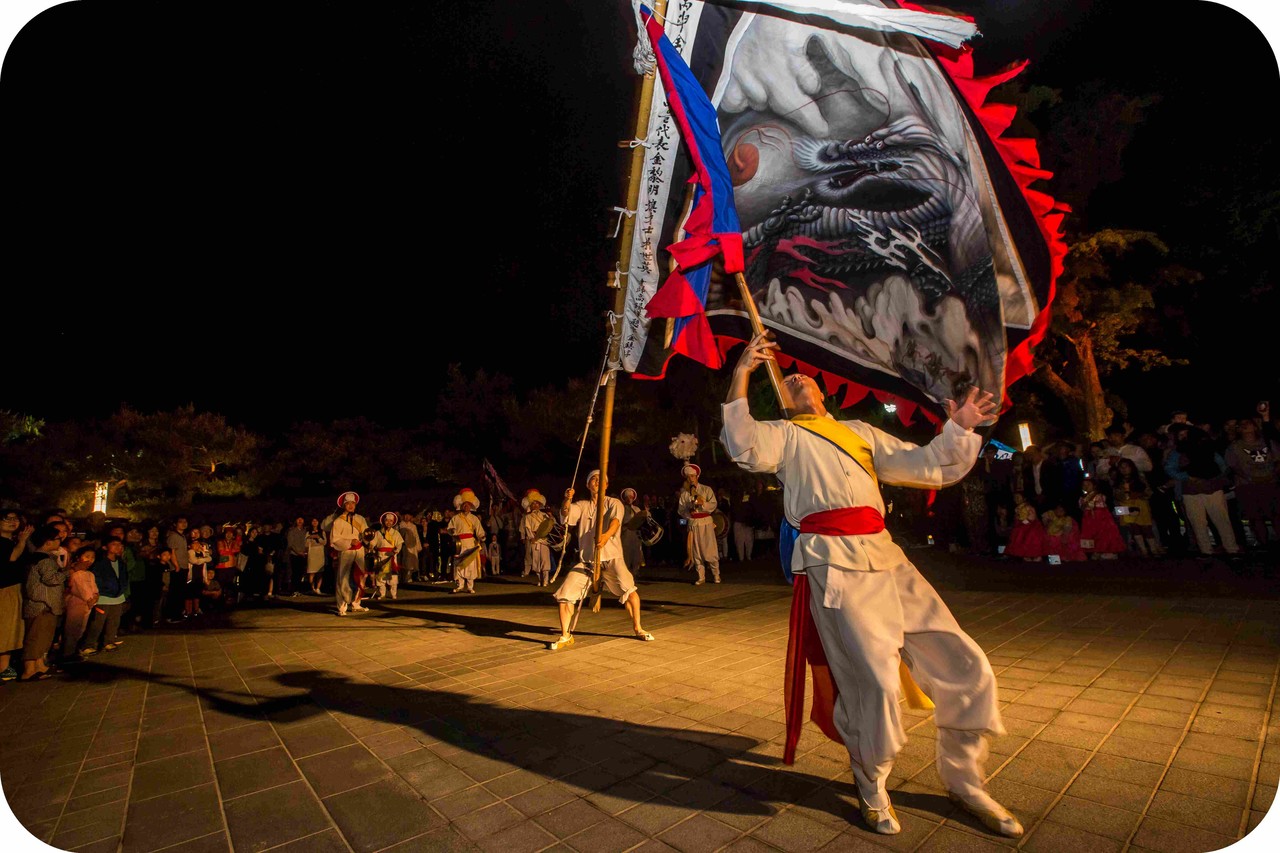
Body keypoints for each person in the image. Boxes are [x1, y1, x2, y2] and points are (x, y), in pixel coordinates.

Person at [718, 332, 1020, 838]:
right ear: (781, 399)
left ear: (821, 391)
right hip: (832, 565)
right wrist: (742, 372)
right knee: (874, 685)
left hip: (887, 556)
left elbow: (925, 465)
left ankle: (965, 781)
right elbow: (742, 444)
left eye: (803, 376)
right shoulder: (783, 435)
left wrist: (959, 429)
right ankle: (872, 783)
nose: (797, 377)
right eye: (787, 380)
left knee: (967, 664)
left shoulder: (860, 431)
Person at [548, 469, 653, 650]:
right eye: (593, 479)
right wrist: (567, 499)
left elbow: (615, 522)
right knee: (565, 594)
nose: (597, 482)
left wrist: (605, 536)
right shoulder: (581, 505)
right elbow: (566, 515)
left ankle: (638, 628)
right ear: (588, 485)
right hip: (588, 561)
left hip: (612, 558)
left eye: (600, 479)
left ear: (606, 484)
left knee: (629, 591)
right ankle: (565, 635)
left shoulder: (614, 503)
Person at [20, 525, 69, 681]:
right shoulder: (43, 559)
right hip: (41, 604)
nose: (60, 541)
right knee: (35, 637)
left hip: (46, 604)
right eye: (57, 539)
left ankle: (39, 666)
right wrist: (69, 572)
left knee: (43, 637)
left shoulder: (41, 557)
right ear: (48, 542)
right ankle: (29, 670)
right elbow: (51, 579)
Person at [1225, 417, 1279, 548]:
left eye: (1247, 424)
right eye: (1241, 424)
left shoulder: (1268, 442)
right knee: (1255, 517)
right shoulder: (1234, 447)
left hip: (1269, 484)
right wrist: (1250, 478)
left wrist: (1273, 474)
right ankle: (1264, 544)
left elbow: (1278, 460)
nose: (1244, 427)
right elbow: (1233, 467)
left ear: (1255, 427)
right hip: (1247, 486)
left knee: (1275, 514)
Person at [82, 537, 131, 651]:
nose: (117, 547)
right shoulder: (100, 563)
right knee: (97, 623)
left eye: (119, 544)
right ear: (105, 547)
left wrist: (122, 589)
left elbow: (124, 577)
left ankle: (108, 642)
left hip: (118, 597)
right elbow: (97, 579)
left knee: (114, 622)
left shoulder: (121, 562)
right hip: (103, 596)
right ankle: (89, 645)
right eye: (114, 544)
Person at [677, 462, 721, 584]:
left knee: (709, 549)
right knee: (695, 550)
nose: (690, 479)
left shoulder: (706, 489)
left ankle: (716, 574)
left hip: (706, 522)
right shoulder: (685, 494)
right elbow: (681, 510)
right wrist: (689, 513)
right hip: (693, 523)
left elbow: (713, 504)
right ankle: (701, 576)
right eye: (688, 477)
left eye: (692, 476)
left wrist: (703, 504)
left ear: (697, 476)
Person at [330, 491, 368, 615]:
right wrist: (349, 541)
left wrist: (368, 538)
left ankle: (356, 603)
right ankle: (341, 606)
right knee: (343, 577)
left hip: (359, 551)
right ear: (344, 505)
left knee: (361, 576)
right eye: (348, 503)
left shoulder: (360, 519)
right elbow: (334, 539)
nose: (351, 506)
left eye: (353, 503)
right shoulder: (338, 521)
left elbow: (366, 534)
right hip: (346, 551)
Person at [61, 545, 99, 662]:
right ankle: (67, 653)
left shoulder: (90, 574)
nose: (90, 560)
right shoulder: (75, 573)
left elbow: (95, 589)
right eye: (87, 556)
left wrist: (95, 597)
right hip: (76, 604)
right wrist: (89, 599)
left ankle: (75, 650)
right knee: (72, 628)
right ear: (79, 557)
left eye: (92, 557)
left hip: (88, 605)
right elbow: (79, 589)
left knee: (81, 629)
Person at [447, 489, 485, 594]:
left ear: (471, 506)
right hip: (459, 543)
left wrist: (481, 537)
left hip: (470, 543)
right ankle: (460, 585)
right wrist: (452, 531)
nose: (466, 506)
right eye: (464, 505)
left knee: (470, 564)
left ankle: (470, 586)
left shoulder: (474, 518)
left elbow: (479, 530)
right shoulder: (455, 518)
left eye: (468, 505)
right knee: (459, 563)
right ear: (461, 505)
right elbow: (450, 529)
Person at [1079, 477, 1126, 559]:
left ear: (1094, 486)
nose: (1086, 486)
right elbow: (1083, 507)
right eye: (1084, 485)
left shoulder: (1099, 495)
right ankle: (1095, 551)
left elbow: (1099, 504)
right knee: (1091, 534)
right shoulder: (1082, 498)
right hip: (1089, 519)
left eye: (1088, 484)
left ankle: (1107, 550)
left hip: (1101, 518)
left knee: (1104, 534)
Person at [368, 512, 405, 600]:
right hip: (381, 556)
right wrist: (371, 548)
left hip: (391, 555)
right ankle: (382, 593)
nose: (388, 522)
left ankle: (393, 594)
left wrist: (396, 551)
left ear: (393, 522)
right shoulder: (378, 533)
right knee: (381, 576)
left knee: (393, 576)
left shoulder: (395, 533)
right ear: (384, 521)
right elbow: (373, 543)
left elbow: (399, 544)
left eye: (391, 521)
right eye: (387, 520)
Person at [520, 489, 552, 585]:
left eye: (537, 503)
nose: (535, 505)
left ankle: (545, 580)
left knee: (545, 560)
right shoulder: (528, 517)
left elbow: (550, 526)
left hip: (544, 540)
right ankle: (539, 579)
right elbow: (528, 528)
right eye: (533, 504)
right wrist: (532, 538)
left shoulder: (544, 515)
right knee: (536, 561)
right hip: (534, 540)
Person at [1004, 492, 1045, 561]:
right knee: (1017, 532)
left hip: (1032, 525)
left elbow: (1032, 517)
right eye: (1015, 497)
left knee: (1030, 534)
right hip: (1022, 525)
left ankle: (1036, 555)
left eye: (1018, 497)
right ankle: (1025, 554)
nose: (1016, 499)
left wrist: (1025, 521)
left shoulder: (1028, 507)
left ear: (1024, 498)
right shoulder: (1017, 508)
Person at [618, 487, 647, 577]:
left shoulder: (637, 509)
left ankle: (635, 571)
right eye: (627, 497)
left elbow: (642, 521)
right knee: (626, 553)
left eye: (631, 497)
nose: (629, 499)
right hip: (626, 534)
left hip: (635, 534)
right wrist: (626, 526)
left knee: (637, 552)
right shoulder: (621, 509)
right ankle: (625, 573)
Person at [305, 517, 327, 594]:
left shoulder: (322, 532)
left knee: (320, 572)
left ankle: (318, 588)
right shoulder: (308, 532)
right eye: (313, 521)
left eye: (316, 521)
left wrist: (318, 537)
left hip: (320, 553)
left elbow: (324, 543)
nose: (314, 522)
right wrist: (310, 538)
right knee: (311, 572)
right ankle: (312, 588)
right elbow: (306, 544)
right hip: (312, 553)